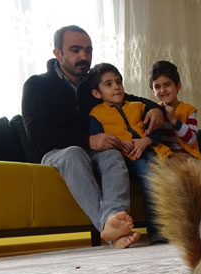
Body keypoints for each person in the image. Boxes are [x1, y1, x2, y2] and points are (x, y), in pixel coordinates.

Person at [21, 25, 165, 248]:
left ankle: (115, 224)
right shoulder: (36, 85)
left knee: (113, 156)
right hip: (56, 153)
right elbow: (38, 134)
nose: (84, 56)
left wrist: (157, 109)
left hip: (92, 152)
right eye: (75, 50)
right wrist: (87, 140)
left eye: (88, 50)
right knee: (74, 153)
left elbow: (129, 99)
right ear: (57, 53)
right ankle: (108, 227)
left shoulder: (93, 85)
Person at [88, 63, 171, 244]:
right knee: (151, 177)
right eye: (108, 84)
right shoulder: (96, 114)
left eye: (118, 82)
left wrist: (146, 140)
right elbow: (97, 141)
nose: (116, 87)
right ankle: (157, 231)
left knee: (169, 176)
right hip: (127, 157)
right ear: (97, 93)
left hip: (149, 150)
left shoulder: (138, 106)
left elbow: (155, 129)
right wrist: (118, 144)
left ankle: (179, 227)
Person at [149, 60, 201, 162]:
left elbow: (191, 139)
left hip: (187, 157)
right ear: (153, 91)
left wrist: (175, 121)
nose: (162, 90)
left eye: (167, 85)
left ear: (178, 86)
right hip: (165, 158)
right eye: (157, 87)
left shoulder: (189, 110)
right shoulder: (155, 111)